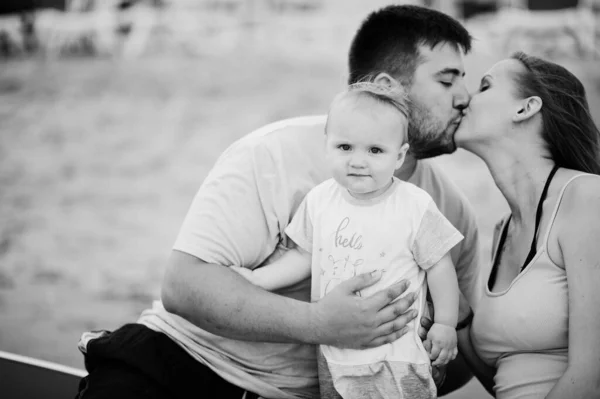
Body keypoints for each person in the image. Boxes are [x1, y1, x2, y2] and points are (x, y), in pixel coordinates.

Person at [75, 5, 481, 399]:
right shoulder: (274, 154)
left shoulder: (449, 210)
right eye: (447, 82)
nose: (465, 97)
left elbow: (461, 360)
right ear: (386, 87)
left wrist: (427, 353)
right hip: (184, 365)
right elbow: (183, 285)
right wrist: (319, 323)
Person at [232, 82, 463, 399]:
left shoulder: (414, 205)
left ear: (399, 156)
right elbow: (303, 256)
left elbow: (439, 265)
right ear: (326, 145)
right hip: (336, 356)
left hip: (398, 356)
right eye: (345, 148)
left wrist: (446, 324)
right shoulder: (320, 201)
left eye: (375, 150)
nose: (358, 160)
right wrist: (257, 279)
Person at [453, 51, 600, 399]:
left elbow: (590, 378)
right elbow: (508, 379)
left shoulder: (587, 199)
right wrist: (459, 319)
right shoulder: (504, 229)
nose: (463, 100)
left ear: (525, 108)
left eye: (484, 86)